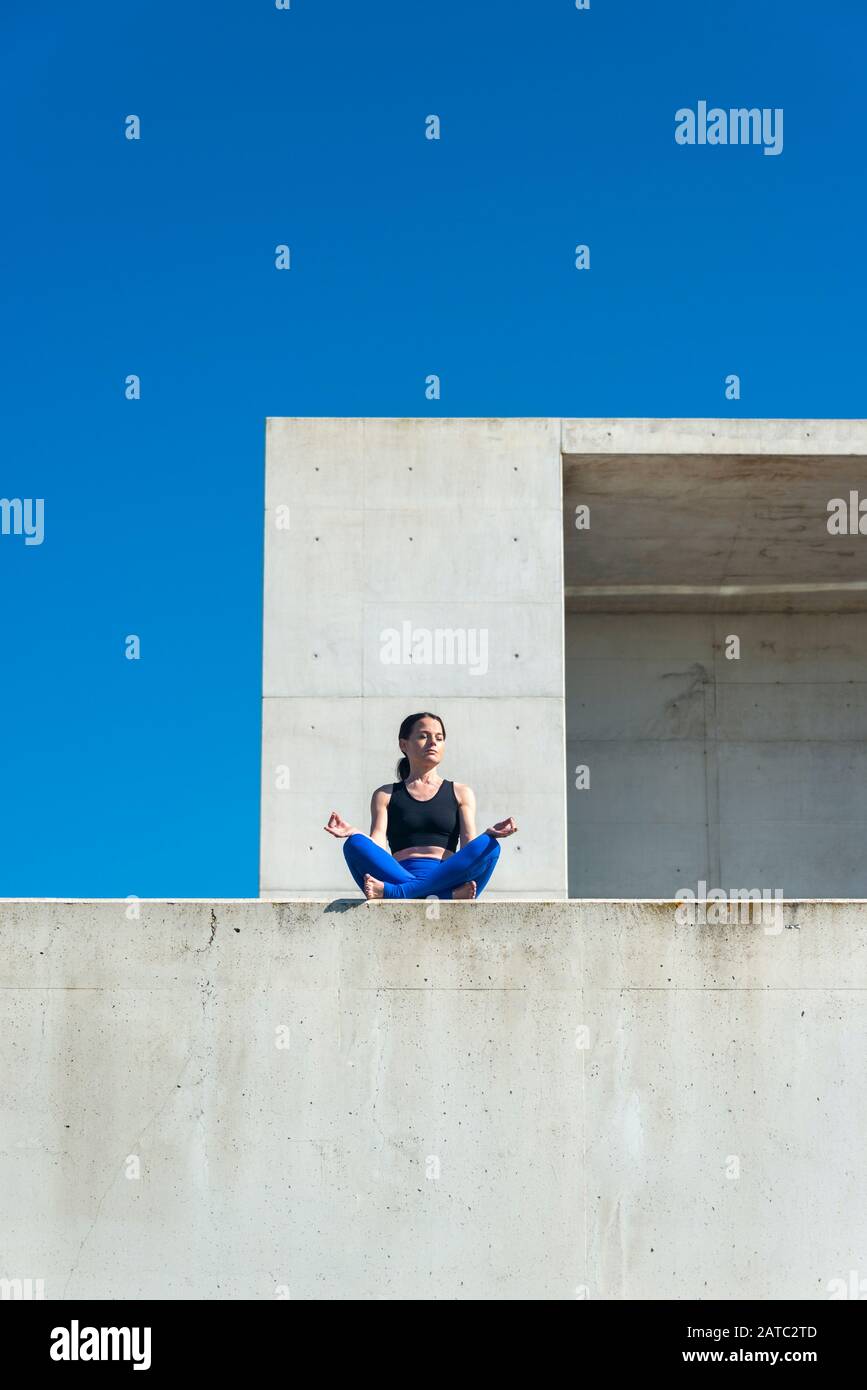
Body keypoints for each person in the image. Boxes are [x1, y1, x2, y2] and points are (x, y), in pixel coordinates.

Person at [324, 711, 517, 900]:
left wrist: (489, 834)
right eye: (424, 736)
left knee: (489, 845)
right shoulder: (385, 794)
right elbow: (378, 845)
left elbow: (468, 845)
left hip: (446, 876)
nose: (433, 742)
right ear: (403, 744)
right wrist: (355, 832)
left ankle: (398, 893)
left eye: (439, 738)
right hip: (397, 874)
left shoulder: (461, 792)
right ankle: (443, 897)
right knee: (354, 844)